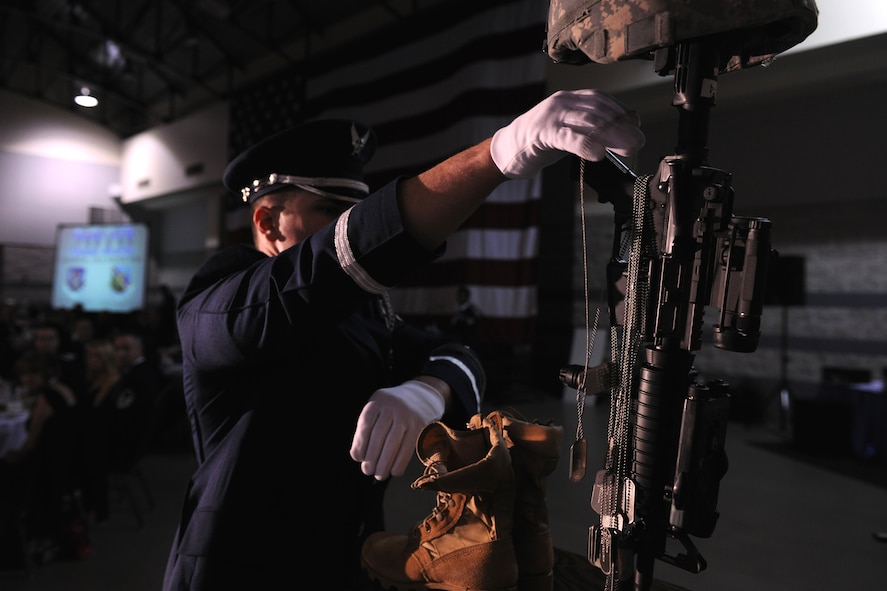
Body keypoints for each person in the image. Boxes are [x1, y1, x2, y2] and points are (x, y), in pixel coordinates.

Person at [161, 89, 644, 591]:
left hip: (348, 556)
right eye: (331, 210)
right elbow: (310, 276)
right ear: (267, 221)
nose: (348, 224)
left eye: (358, 211)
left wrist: (429, 387)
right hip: (239, 565)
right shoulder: (220, 293)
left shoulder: (364, 312)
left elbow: (457, 354)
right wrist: (496, 156)